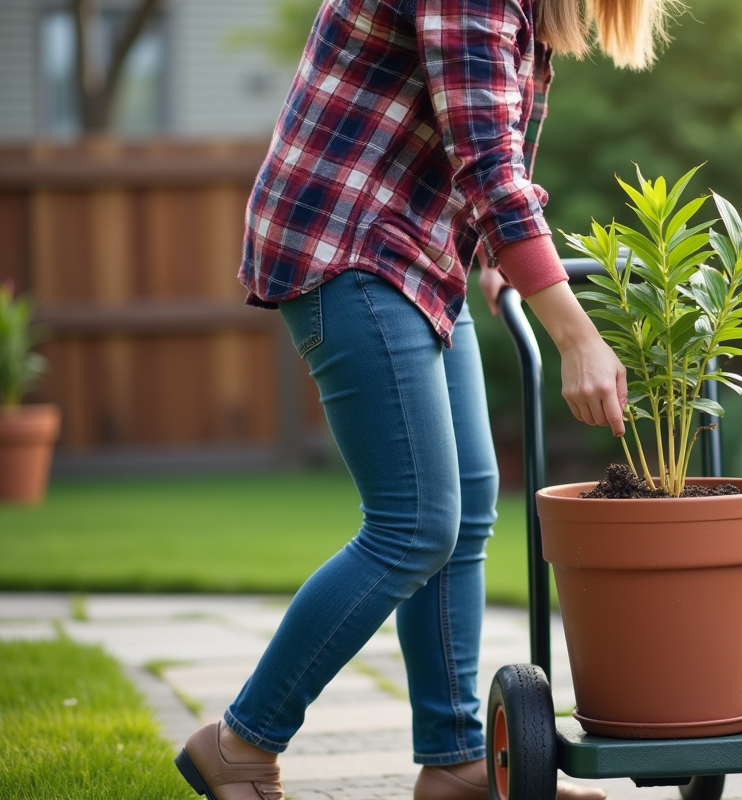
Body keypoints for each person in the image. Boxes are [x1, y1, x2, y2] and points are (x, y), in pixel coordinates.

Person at [173, 0, 678, 798]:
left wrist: (489, 253)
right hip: (352, 244)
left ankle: (454, 763)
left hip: (412, 257)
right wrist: (576, 335)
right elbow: (486, 164)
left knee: (468, 505)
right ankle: (240, 740)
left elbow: (491, 144)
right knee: (413, 523)